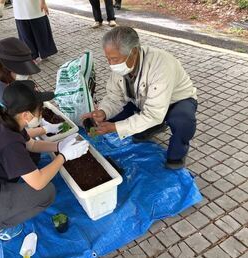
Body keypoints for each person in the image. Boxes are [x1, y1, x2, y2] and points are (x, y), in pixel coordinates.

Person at [0, 81, 89, 240]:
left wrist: (58, 145)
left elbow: (32, 145)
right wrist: (63, 156)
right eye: (40, 109)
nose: (41, 113)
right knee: (47, 193)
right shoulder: (9, 142)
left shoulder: (7, 122)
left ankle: (3, 204)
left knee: (31, 158)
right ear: (26, 115)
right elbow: (38, 183)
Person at [82, 26, 197, 169]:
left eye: (114, 59)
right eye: (108, 59)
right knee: (111, 119)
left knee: (183, 121)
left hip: (177, 101)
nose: (111, 65)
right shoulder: (121, 65)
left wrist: (116, 128)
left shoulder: (161, 65)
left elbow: (154, 113)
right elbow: (114, 97)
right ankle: (155, 126)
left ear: (134, 52)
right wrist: (103, 112)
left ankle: (177, 155)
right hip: (141, 100)